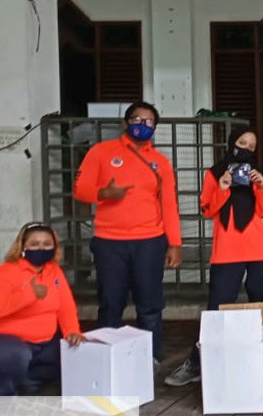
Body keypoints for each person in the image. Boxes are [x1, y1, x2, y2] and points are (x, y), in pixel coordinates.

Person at [165, 127, 263, 387]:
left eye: (252, 145)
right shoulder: (214, 173)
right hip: (227, 250)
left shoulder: (256, 174)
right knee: (217, 309)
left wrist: (260, 186)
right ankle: (197, 363)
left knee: (261, 306)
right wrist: (224, 187)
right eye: (242, 142)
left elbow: (262, 210)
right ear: (231, 143)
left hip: (259, 248)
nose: (246, 148)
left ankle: (262, 360)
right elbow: (207, 209)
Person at [73, 101, 181, 366]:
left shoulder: (161, 162)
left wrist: (175, 243)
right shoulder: (101, 152)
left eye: (148, 122)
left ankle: (150, 359)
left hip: (150, 242)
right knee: (111, 303)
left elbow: (169, 204)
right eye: (136, 120)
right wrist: (103, 194)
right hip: (110, 242)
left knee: (150, 305)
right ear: (125, 123)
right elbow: (80, 189)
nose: (141, 126)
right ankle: (105, 358)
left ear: (155, 128)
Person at [0, 223, 85, 396]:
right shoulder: (7, 271)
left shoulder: (54, 271)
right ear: (22, 247)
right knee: (18, 357)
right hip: (11, 341)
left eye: (47, 244)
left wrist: (72, 331)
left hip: (45, 341)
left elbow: (66, 307)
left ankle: (26, 383)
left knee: (76, 356)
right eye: (34, 244)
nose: (41, 248)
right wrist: (29, 295)